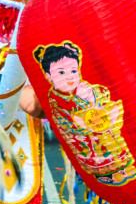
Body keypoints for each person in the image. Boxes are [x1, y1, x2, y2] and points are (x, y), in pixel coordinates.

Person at [34, 41, 134, 183]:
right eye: (61, 72)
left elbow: (104, 95)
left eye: (73, 71)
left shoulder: (85, 88)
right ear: (49, 76)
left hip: (101, 127)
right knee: (98, 154)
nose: (69, 76)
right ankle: (106, 174)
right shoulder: (56, 98)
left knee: (114, 146)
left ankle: (122, 167)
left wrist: (93, 97)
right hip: (84, 135)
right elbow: (65, 119)